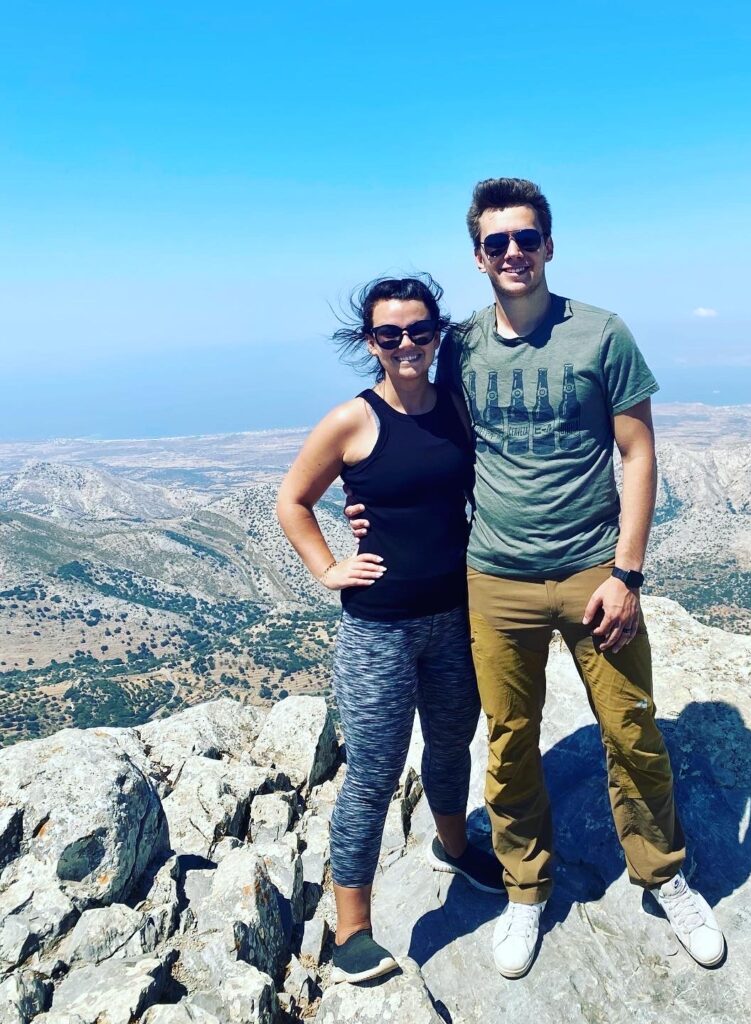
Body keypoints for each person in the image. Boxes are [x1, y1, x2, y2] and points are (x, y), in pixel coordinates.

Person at [349, 179, 726, 978]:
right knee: (511, 740)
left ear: (550, 245)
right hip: (494, 577)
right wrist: (368, 505)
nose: (513, 253)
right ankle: (525, 889)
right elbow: (415, 422)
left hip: (594, 569)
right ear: (478, 256)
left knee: (631, 730)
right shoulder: (460, 346)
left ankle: (665, 873)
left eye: (526, 239)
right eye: (497, 243)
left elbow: (639, 451)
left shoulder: (602, 334)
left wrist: (628, 572)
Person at [276, 275, 503, 985]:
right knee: (372, 776)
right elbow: (293, 500)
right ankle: (352, 931)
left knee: (449, 746)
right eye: (389, 334)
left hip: (454, 615)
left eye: (419, 330)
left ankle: (454, 846)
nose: (406, 345)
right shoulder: (352, 419)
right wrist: (327, 568)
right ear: (369, 343)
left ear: (437, 334)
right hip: (379, 627)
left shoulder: (455, 411)